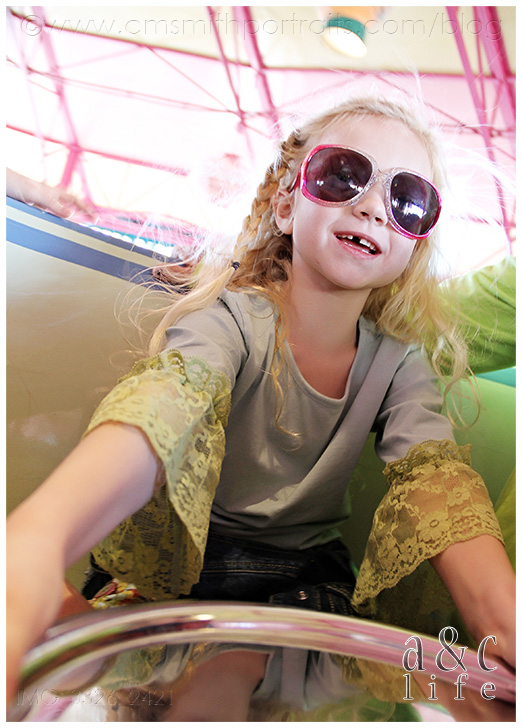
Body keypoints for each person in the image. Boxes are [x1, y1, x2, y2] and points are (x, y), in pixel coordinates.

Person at [6, 97, 515, 714]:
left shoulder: (399, 365)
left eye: (407, 200)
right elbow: (162, 412)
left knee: (443, 688)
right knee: (92, 644)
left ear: (415, 244)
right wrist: (40, 539)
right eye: (342, 175)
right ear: (285, 203)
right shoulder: (229, 321)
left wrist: (502, 621)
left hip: (307, 585)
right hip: (186, 571)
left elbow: (437, 487)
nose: (373, 206)